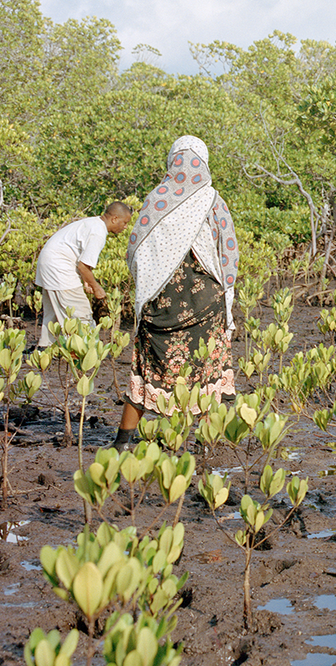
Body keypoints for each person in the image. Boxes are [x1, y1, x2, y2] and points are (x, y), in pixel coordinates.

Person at [114, 136, 238, 450]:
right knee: (208, 373)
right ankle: (206, 444)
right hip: (205, 303)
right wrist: (228, 294)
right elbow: (228, 251)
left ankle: (122, 443)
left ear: (172, 161)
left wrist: (151, 287)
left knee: (147, 370)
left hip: (160, 305)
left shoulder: (156, 199)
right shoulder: (213, 200)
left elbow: (135, 251)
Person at [35, 202, 133, 347]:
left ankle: (45, 348)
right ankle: (89, 351)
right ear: (114, 219)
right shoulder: (98, 233)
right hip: (59, 267)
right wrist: (97, 287)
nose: (125, 227)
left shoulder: (93, 223)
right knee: (81, 313)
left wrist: (86, 281)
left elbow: (81, 260)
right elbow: (83, 266)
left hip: (48, 262)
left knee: (54, 312)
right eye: (124, 223)